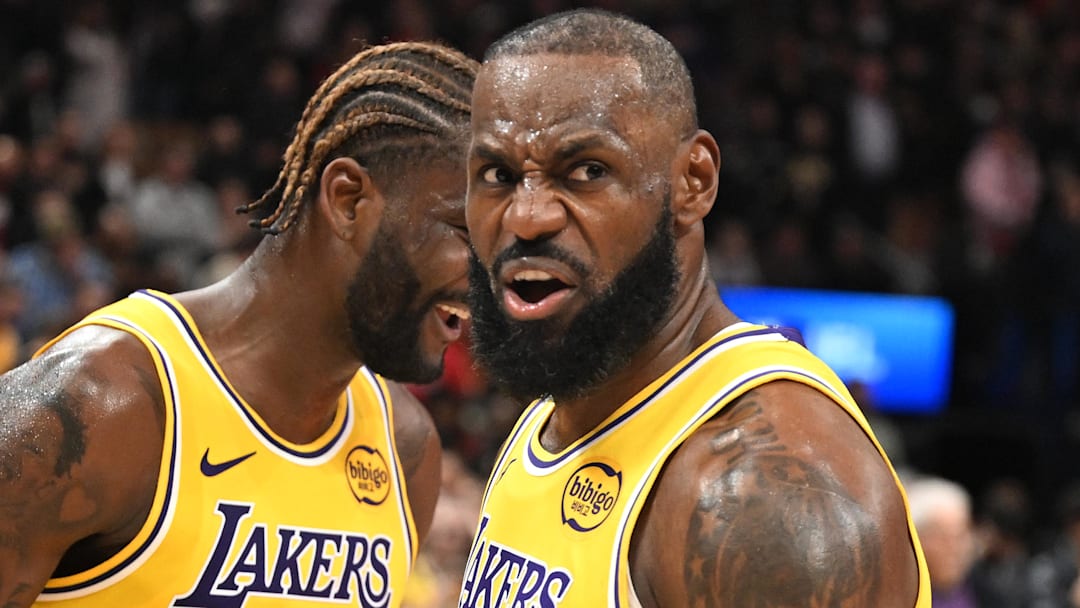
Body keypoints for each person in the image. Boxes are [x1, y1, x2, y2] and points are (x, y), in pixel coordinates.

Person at [458, 9, 930, 607]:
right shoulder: (562, 409)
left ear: (694, 181)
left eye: (586, 171)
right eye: (497, 174)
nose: (527, 217)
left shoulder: (757, 505)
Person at [0, 41, 477, 607]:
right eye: (465, 233)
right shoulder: (90, 405)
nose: (490, 279)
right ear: (348, 200)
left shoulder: (405, 452)